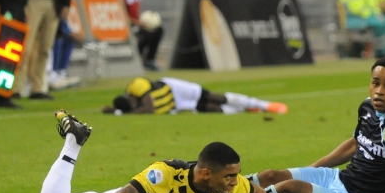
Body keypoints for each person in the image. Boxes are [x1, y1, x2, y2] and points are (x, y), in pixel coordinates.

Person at [214, 57, 385, 193]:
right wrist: (314, 168)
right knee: (272, 176)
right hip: (340, 178)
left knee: (290, 189)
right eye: (375, 83)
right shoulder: (366, 107)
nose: (379, 91)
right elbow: (355, 144)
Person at [16, 110, 271, 193]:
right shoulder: (166, 174)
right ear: (206, 173)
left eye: (236, 175)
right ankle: (73, 143)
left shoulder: (228, 184)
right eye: (229, 176)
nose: (235, 182)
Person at [102, 76, 288, 115]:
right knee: (211, 109)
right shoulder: (134, 105)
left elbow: (149, 108)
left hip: (176, 89)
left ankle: (263, 104)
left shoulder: (136, 85)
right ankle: (246, 110)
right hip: (177, 105)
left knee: (215, 97)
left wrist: (121, 113)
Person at [120, 0, 162, 71]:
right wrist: (138, 23)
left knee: (158, 30)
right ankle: (137, 60)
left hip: (136, 23)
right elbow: (121, 14)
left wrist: (143, 20)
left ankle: (149, 60)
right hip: (126, 24)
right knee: (144, 33)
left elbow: (135, 12)